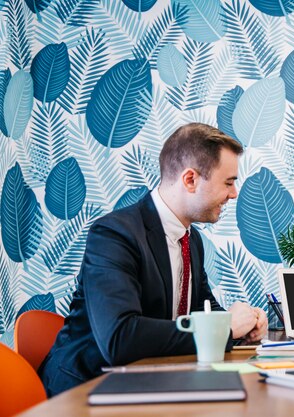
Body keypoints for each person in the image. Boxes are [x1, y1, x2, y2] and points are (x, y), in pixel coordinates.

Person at [39, 123, 268, 396]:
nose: (234, 194)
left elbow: (202, 312)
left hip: (151, 380)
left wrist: (244, 326)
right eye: (229, 182)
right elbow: (120, 338)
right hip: (87, 390)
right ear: (190, 179)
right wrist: (224, 328)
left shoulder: (190, 240)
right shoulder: (114, 234)